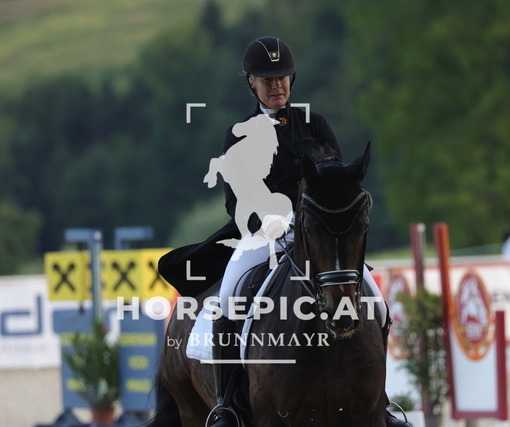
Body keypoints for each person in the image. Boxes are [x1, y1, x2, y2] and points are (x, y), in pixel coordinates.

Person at [158, 36, 407, 427]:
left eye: (283, 78)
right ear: (251, 83)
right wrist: (266, 220)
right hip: (263, 235)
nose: (277, 86)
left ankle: (381, 402)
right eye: (268, 79)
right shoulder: (239, 133)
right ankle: (227, 402)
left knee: (376, 301)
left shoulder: (315, 125)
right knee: (228, 297)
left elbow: (336, 181)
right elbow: (234, 199)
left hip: (319, 233)